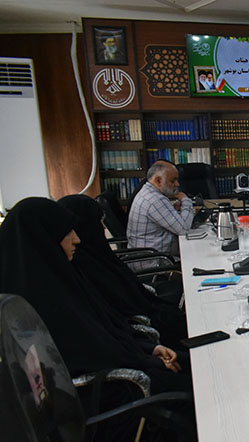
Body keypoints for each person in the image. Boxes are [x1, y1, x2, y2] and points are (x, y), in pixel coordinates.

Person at [0, 197, 192, 395]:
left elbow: (105, 331)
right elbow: (90, 355)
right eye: (67, 232)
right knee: (193, 380)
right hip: (107, 390)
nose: (77, 239)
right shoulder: (37, 303)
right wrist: (148, 359)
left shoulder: (62, 279)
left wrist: (148, 349)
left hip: (128, 364)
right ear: (43, 240)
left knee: (192, 364)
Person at [58, 194, 188, 348]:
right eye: (99, 222)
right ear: (86, 225)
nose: (104, 227)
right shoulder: (84, 267)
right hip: (145, 334)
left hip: (144, 323)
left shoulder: (93, 253)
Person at [127, 160, 193, 267]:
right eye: (173, 180)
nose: (177, 184)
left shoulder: (148, 192)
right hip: (154, 264)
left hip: (150, 257)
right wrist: (186, 200)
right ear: (158, 180)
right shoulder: (154, 199)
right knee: (197, 260)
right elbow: (183, 228)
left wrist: (173, 210)